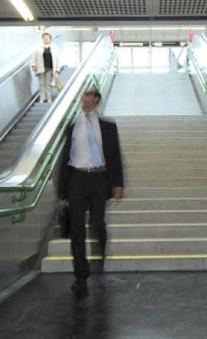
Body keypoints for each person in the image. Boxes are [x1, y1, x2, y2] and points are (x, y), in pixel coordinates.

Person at [57, 88, 125, 294]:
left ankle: (101, 251)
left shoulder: (108, 127)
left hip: (99, 178)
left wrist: (118, 183)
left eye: (88, 96)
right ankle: (81, 275)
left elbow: (115, 155)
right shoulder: (72, 126)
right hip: (77, 178)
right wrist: (63, 188)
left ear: (96, 100)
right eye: (83, 96)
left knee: (97, 224)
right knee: (77, 229)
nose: (84, 99)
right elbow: (65, 157)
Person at [31, 32, 60, 103]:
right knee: (41, 84)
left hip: (50, 68)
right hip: (41, 68)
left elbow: (57, 60)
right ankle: (42, 98)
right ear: (42, 39)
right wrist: (34, 65)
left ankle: (49, 98)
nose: (46, 39)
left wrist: (57, 69)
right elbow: (34, 58)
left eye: (47, 38)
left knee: (48, 84)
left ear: (50, 39)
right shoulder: (38, 48)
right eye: (44, 38)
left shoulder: (54, 49)